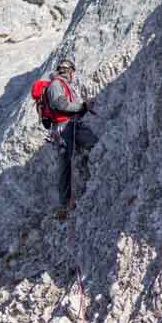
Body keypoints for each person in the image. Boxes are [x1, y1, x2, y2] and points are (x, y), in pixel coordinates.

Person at [46, 59, 97, 217]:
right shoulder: (56, 85)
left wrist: (83, 109)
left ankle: (88, 181)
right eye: (72, 72)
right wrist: (81, 106)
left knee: (93, 144)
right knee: (65, 165)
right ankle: (64, 204)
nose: (73, 75)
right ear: (69, 71)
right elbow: (61, 105)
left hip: (71, 125)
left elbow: (67, 108)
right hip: (63, 128)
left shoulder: (61, 85)